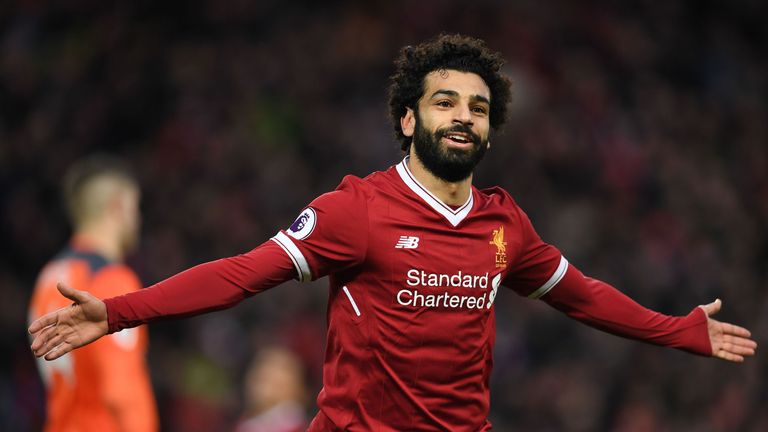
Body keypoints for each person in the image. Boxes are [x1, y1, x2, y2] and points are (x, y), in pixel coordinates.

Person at [29, 35, 756, 431]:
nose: (463, 116)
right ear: (409, 119)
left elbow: (582, 295)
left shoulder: (506, 225)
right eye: (445, 102)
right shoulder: (358, 211)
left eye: (477, 106)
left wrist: (676, 329)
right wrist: (118, 311)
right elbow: (243, 273)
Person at [28, 156, 158, 432]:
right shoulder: (111, 280)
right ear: (118, 206)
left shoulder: (49, 277)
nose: (139, 219)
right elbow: (121, 391)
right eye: (136, 208)